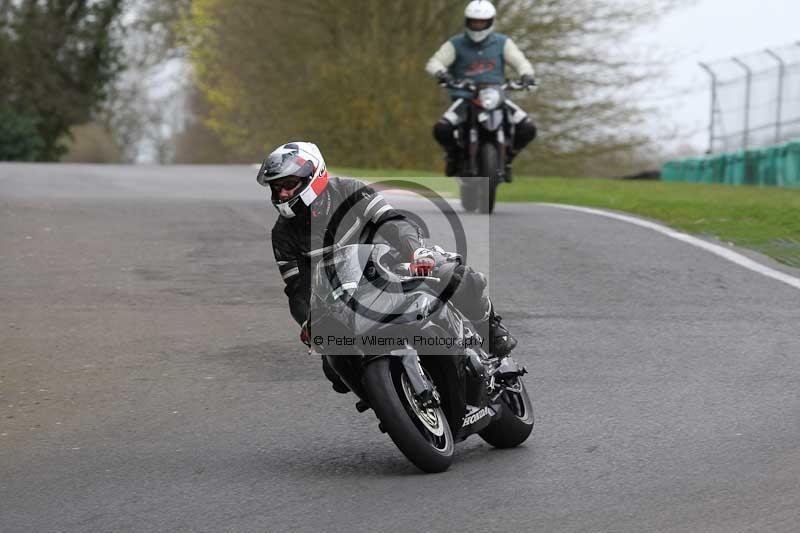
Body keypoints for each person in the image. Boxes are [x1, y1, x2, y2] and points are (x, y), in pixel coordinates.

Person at [257, 141, 518, 393]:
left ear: (315, 176)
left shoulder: (349, 190)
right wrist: (307, 322)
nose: (283, 194)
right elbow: (297, 288)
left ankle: (491, 330)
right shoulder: (283, 234)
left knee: (454, 276)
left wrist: (416, 251)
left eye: (289, 185)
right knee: (334, 365)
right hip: (344, 298)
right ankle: (388, 396)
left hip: (392, 265)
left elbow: (391, 221)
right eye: (277, 188)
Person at [426, 0, 537, 178]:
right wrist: (442, 74)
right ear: (467, 21)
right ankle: (453, 156)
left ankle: (507, 158)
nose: (478, 26)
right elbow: (434, 62)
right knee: (442, 128)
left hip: (496, 97)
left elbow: (520, 62)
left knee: (527, 127)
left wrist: (526, 75)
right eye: (474, 21)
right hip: (465, 97)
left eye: (482, 22)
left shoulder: (502, 43)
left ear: (490, 22)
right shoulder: (456, 43)